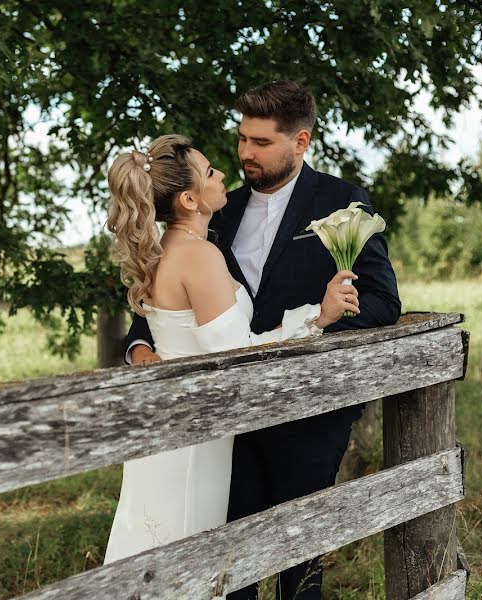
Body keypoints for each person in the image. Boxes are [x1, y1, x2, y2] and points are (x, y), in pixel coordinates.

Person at [123, 82, 401, 600]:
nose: (246, 153)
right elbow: (170, 297)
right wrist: (140, 347)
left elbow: (384, 303)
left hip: (309, 413)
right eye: (241, 139)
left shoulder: (342, 202)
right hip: (227, 425)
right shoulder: (216, 209)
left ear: (300, 142)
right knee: (229, 567)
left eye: (262, 142)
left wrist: (321, 323)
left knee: (301, 562)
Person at [103, 133, 359, 565]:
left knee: (150, 544)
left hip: (173, 422)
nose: (222, 174)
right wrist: (319, 316)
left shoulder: (168, 249)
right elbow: (239, 356)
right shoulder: (198, 256)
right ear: (189, 199)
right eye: (209, 172)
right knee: (184, 552)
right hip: (194, 433)